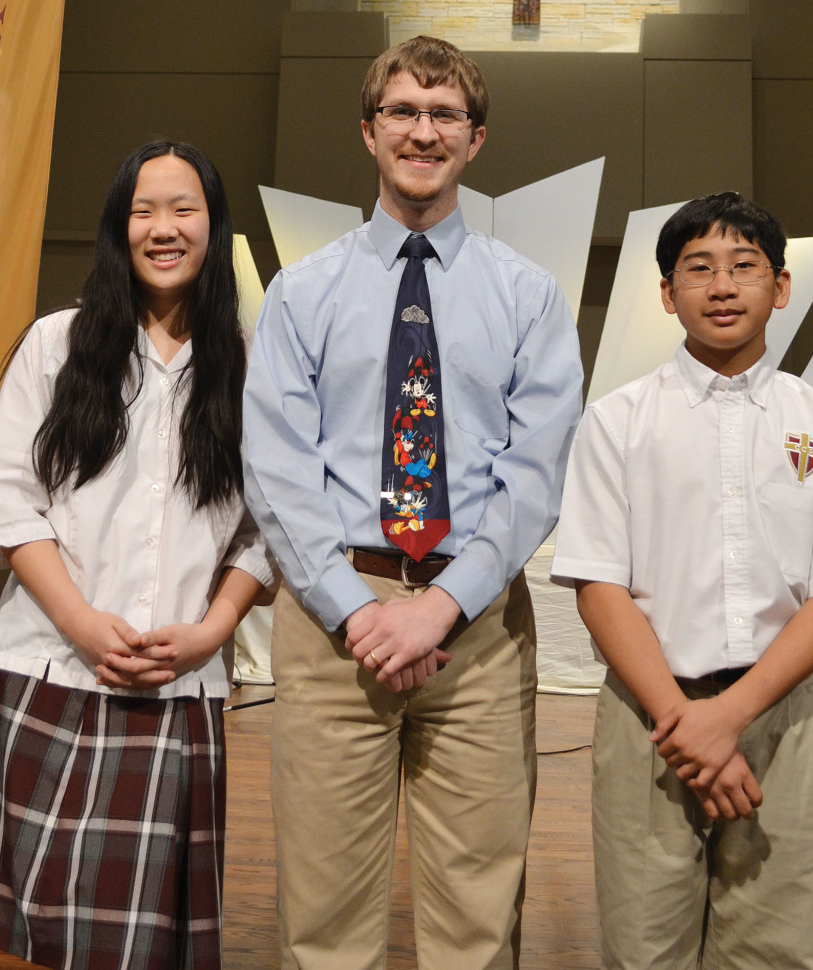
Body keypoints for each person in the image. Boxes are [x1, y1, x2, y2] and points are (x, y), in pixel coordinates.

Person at [242, 35, 584, 970]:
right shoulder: (303, 294)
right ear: (368, 131)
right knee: (321, 919)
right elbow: (277, 469)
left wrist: (439, 606)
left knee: (479, 922)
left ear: (476, 140)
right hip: (331, 628)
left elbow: (537, 471)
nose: (422, 131)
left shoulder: (529, 298)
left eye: (444, 116)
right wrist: (359, 616)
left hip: (472, 633)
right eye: (402, 111)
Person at [0, 141, 276, 970]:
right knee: (42, 926)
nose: (163, 228)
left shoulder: (249, 367)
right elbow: (9, 499)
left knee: (140, 942)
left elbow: (267, 529)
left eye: (184, 209)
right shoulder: (57, 345)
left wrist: (214, 630)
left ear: (214, 229)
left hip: (176, 684)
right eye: (143, 210)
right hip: (49, 669)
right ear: (118, 227)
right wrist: (79, 623)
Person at [551, 192, 813, 969]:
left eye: (745, 267)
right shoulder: (617, 421)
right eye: (698, 269)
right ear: (667, 295)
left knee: (772, 949)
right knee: (643, 949)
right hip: (649, 718)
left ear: (782, 285)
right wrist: (689, 721)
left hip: (782, 717)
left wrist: (730, 716)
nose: (723, 286)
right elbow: (600, 588)